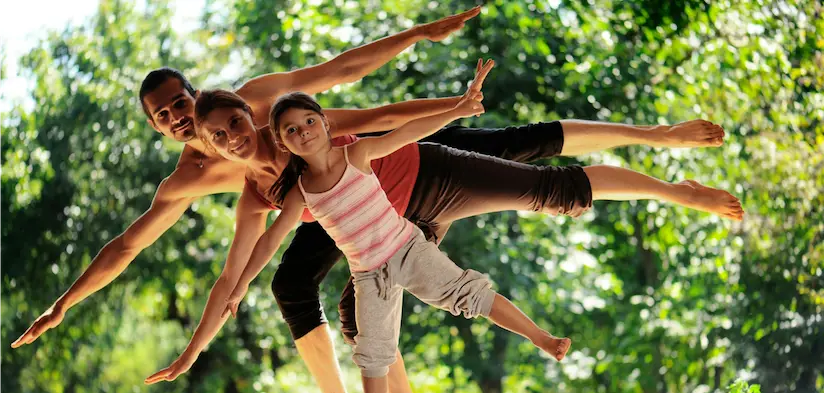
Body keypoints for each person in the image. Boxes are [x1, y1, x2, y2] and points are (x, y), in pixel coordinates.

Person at [144, 60, 742, 390]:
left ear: (250, 116)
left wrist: (452, 105)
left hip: (429, 171)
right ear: (211, 146)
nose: (233, 138)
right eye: (218, 137)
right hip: (401, 227)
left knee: (539, 172)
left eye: (236, 124)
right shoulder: (271, 193)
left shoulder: (301, 125)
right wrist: (194, 349)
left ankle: (667, 175)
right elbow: (237, 275)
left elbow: (386, 116)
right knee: (361, 323)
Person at [220, 83, 573, 393]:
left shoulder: (356, 153)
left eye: (309, 121)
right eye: (292, 130)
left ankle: (543, 338)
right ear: (283, 142)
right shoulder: (300, 193)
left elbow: (407, 132)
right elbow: (269, 240)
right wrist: (240, 285)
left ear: (326, 123)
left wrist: (458, 109)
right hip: (369, 275)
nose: (304, 132)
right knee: (371, 355)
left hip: (407, 249)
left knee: (468, 294)